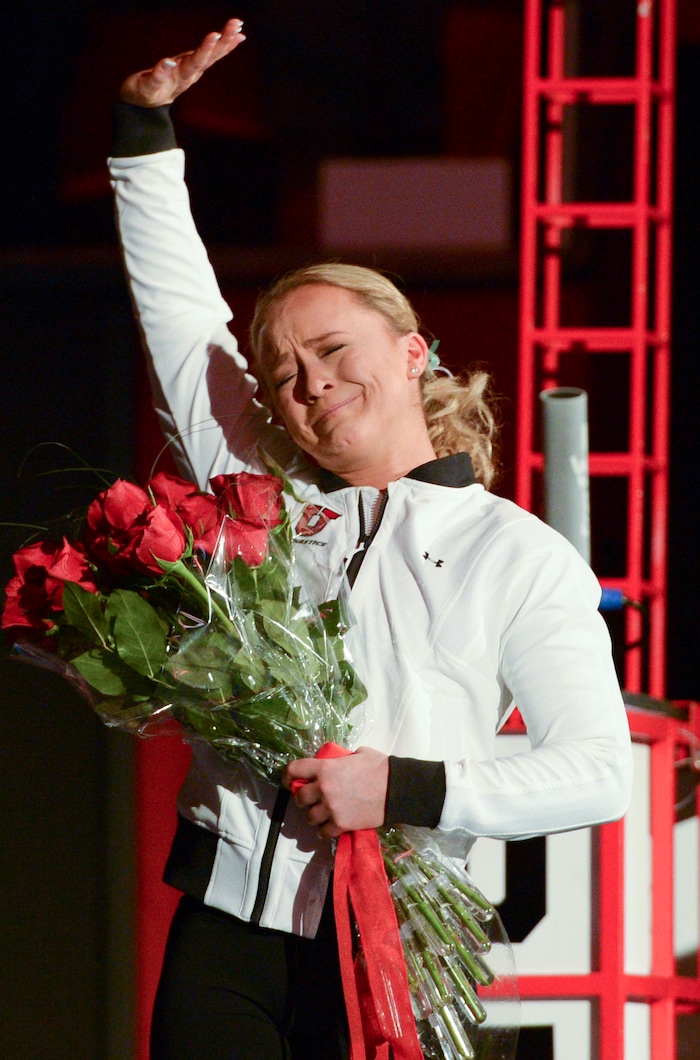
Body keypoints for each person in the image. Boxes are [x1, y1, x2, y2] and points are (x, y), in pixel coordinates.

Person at [110, 19, 633, 1060]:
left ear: (409, 353)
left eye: (333, 350)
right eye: (283, 373)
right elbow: (178, 314)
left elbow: (595, 770)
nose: (308, 384)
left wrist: (407, 785)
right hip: (225, 929)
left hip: (391, 937)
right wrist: (143, 129)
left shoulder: (515, 553)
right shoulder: (258, 487)